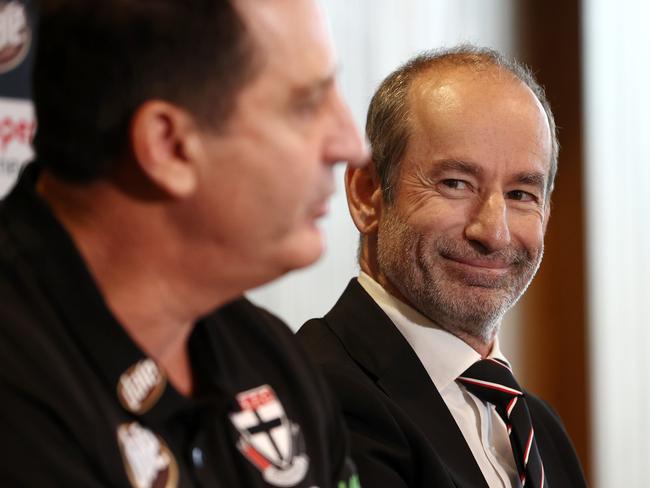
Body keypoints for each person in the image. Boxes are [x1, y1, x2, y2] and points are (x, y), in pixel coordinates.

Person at [0, 0, 368, 486]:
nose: (351, 144)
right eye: (305, 105)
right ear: (169, 146)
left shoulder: (269, 355)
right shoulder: (18, 392)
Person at [298, 46, 587, 488]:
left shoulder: (543, 431)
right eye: (456, 183)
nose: (494, 232)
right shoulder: (316, 399)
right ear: (366, 194)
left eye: (521, 194)